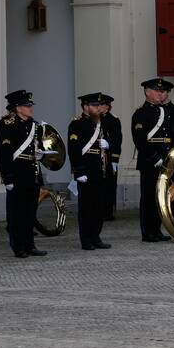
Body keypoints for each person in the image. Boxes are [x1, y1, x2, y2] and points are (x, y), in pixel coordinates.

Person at [132, 77, 174, 241]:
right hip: (150, 161)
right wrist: (154, 158)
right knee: (149, 197)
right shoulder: (141, 113)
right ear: (148, 92)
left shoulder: (169, 111)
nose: (161, 94)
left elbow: (173, 135)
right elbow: (140, 140)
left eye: (163, 91)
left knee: (166, 196)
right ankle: (148, 232)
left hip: (169, 159)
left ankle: (163, 228)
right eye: (157, 91)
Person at [0, 90, 48, 258]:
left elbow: (37, 146)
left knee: (29, 212)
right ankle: (18, 246)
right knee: (16, 213)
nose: (31, 108)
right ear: (18, 108)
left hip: (32, 173)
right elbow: (4, 152)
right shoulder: (7, 123)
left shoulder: (34, 125)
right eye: (27, 105)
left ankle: (30, 244)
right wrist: (7, 177)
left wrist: (40, 154)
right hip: (17, 174)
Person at [67, 92, 113, 250]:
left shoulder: (102, 122)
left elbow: (110, 141)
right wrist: (78, 172)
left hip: (100, 170)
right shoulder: (77, 124)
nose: (98, 108)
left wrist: (108, 145)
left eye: (99, 105)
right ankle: (86, 239)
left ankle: (96, 236)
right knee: (86, 207)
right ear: (85, 106)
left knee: (99, 206)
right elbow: (73, 149)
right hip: (86, 171)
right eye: (94, 105)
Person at [99, 95, 122, 221]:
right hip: (97, 157)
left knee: (109, 185)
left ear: (107, 106)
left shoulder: (113, 120)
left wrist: (115, 159)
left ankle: (108, 212)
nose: (99, 107)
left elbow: (117, 140)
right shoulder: (94, 119)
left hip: (109, 157)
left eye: (101, 105)